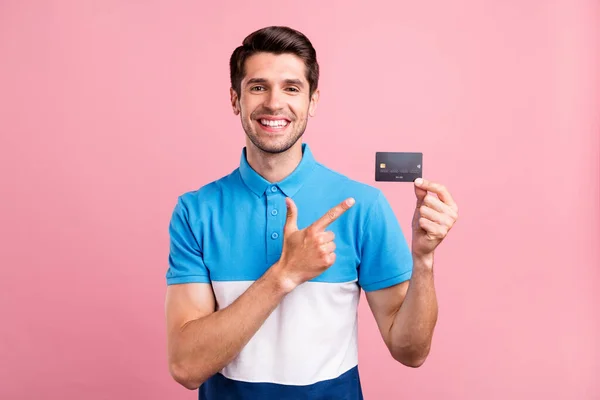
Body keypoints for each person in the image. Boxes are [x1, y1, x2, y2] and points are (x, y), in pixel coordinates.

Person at [164, 26, 459, 400]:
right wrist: (284, 276)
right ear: (235, 100)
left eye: (291, 88)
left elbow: (410, 351)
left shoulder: (362, 206)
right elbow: (186, 367)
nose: (274, 103)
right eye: (258, 87)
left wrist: (424, 260)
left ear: (312, 102)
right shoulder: (195, 211)